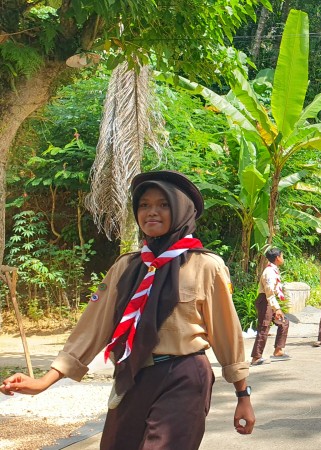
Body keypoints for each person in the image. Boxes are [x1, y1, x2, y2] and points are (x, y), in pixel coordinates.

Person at [0, 170, 255, 448]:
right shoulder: (127, 267)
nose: (151, 212)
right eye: (144, 205)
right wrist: (43, 382)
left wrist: (243, 395)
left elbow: (227, 334)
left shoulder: (206, 266)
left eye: (163, 204)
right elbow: (92, 328)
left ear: (181, 210)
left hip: (183, 374)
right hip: (132, 374)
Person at [251, 248, 291, 365]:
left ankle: (278, 350)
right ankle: (256, 357)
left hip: (269, 300)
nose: (283, 258)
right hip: (265, 300)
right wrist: (277, 308)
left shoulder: (274, 270)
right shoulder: (269, 272)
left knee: (283, 322)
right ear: (277, 258)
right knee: (264, 327)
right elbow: (269, 292)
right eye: (282, 256)